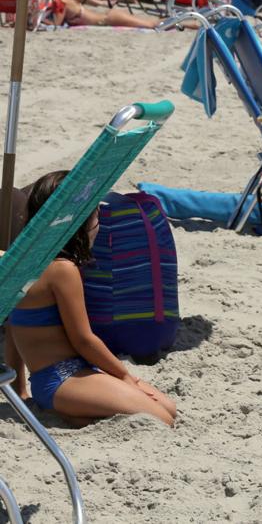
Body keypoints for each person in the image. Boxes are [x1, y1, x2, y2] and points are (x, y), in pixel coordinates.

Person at [7, 171, 176, 426]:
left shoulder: (21, 263)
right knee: (162, 419)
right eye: (97, 214)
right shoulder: (63, 270)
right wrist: (126, 377)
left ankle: (75, 413)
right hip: (64, 379)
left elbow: (13, 327)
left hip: (59, 377)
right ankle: (71, 412)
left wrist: (19, 389)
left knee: (168, 408)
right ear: (79, 222)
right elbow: (84, 339)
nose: (99, 222)